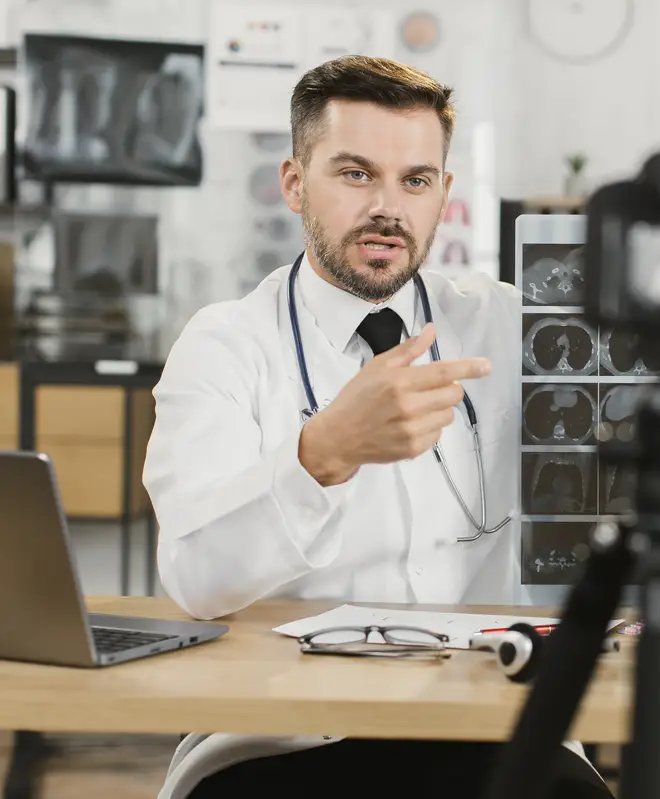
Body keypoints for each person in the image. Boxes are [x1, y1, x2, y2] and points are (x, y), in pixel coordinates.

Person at [142, 56, 611, 799]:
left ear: (444, 194)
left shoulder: (514, 326)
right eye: (356, 174)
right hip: (281, 733)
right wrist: (323, 452)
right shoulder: (225, 343)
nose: (388, 207)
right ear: (295, 183)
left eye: (415, 180)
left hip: (492, 723)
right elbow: (197, 580)